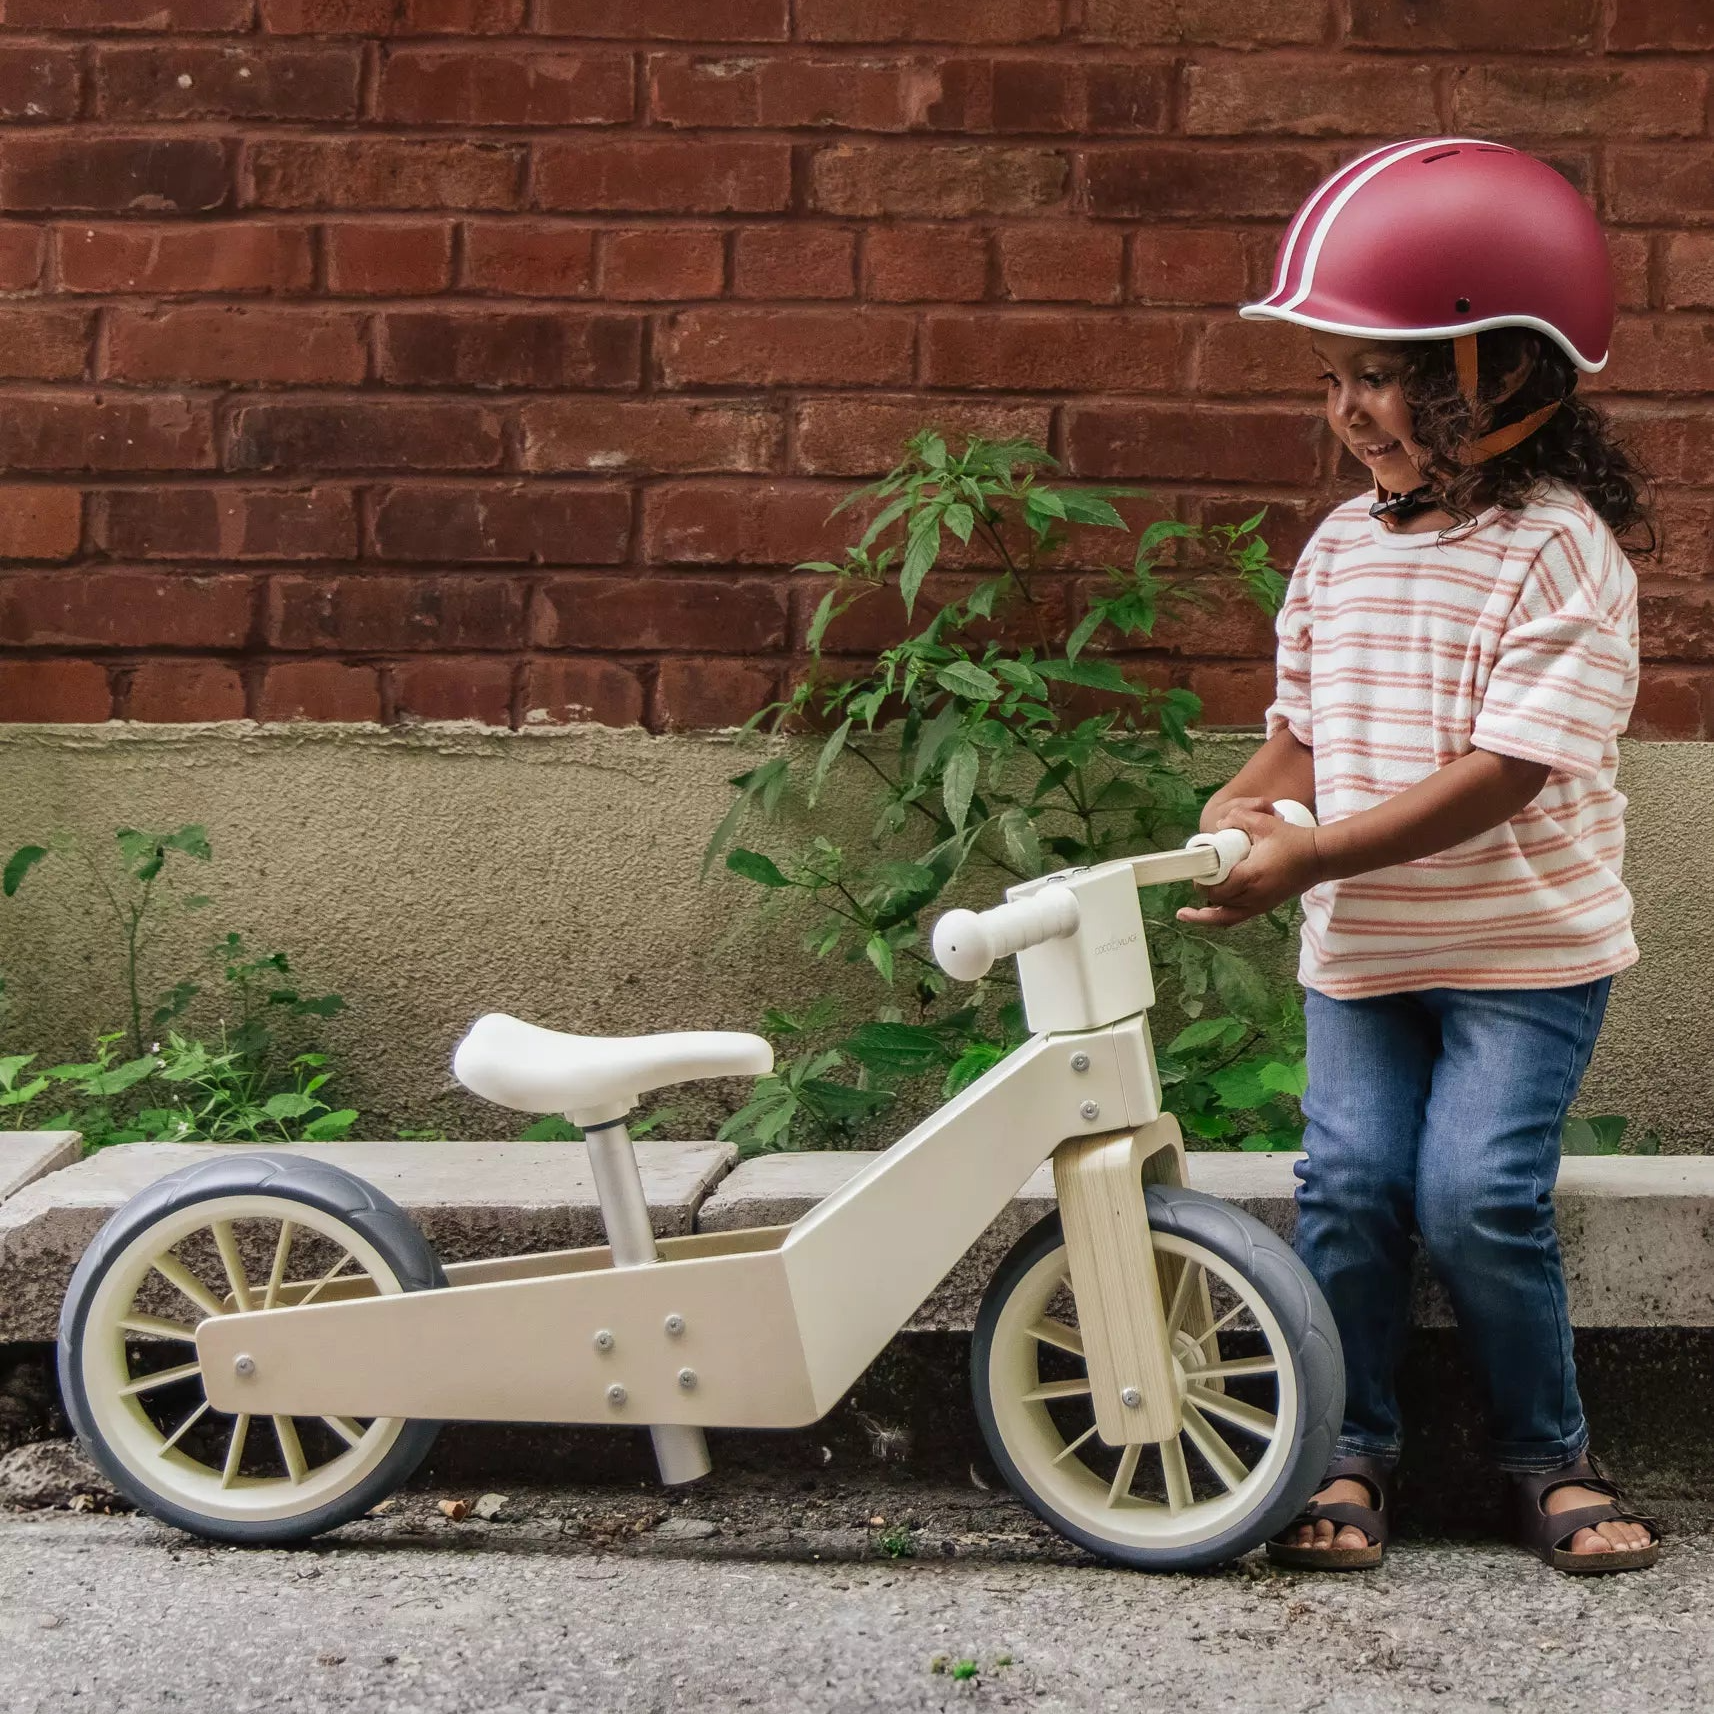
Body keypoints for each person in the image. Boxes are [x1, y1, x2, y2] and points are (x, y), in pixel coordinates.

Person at [1180, 138, 1660, 1574]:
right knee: (1349, 1188)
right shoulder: (1337, 549)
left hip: (1523, 950)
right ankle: (1346, 1445)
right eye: (1334, 381)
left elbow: (1504, 772)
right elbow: (1305, 734)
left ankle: (1543, 1448)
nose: (1351, 412)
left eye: (1385, 376)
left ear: (1506, 375)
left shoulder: (1559, 552)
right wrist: (1248, 805)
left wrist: (1310, 853)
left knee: (1472, 1195)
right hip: (1369, 952)